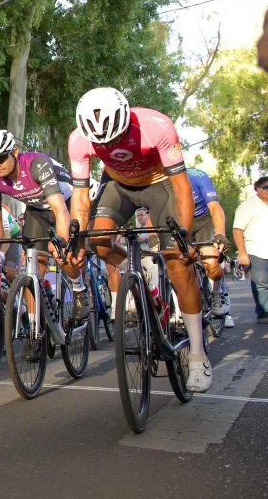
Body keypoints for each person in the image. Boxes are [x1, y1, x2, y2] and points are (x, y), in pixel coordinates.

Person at [68, 87, 211, 392]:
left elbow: (181, 185)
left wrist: (183, 236)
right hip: (119, 185)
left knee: (177, 264)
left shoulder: (156, 125)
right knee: (99, 241)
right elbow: (80, 197)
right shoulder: (78, 140)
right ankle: (143, 265)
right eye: (101, 142)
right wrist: (78, 242)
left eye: (115, 138)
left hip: (161, 185)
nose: (108, 145)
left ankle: (197, 353)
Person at [0, 129, 88, 319]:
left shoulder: (37, 164)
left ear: (14, 152)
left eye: (1, 158)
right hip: (36, 211)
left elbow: (60, 209)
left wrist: (61, 241)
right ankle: (34, 331)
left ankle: (79, 290)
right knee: (32, 269)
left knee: (62, 255)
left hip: (64, 205)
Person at [186, 168, 232, 325]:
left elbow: (215, 208)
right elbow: (151, 212)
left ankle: (217, 292)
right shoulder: (160, 181)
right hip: (180, 223)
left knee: (211, 264)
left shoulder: (198, 176)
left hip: (203, 220)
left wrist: (220, 234)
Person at [233, 176, 268, 324]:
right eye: (265, 187)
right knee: (261, 283)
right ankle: (264, 312)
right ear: (257, 189)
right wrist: (242, 253)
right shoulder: (247, 206)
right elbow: (237, 229)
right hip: (257, 250)